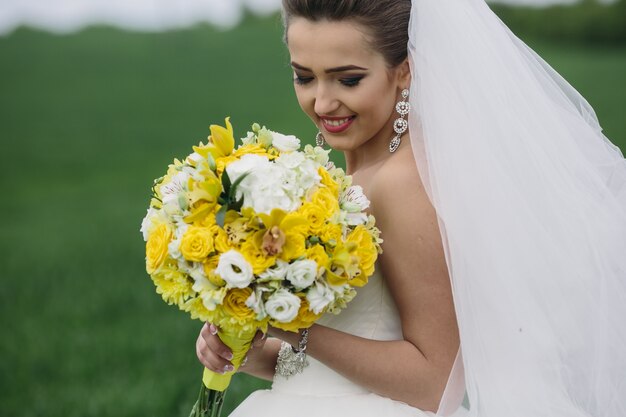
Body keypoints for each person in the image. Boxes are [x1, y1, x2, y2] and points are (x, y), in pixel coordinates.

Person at [197, 1, 626, 416]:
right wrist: (247, 347)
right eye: (304, 77)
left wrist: (290, 329)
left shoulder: (402, 183)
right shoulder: (344, 174)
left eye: (347, 80)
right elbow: (337, 361)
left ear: (403, 71)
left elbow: (434, 381)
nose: (322, 103)